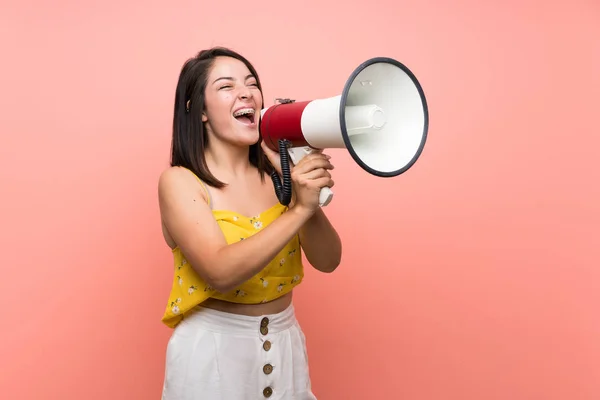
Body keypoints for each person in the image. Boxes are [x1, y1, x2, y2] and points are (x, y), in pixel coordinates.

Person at [158, 47, 343, 400]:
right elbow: (219, 271)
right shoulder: (180, 182)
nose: (246, 92)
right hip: (212, 355)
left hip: (286, 342)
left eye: (251, 83)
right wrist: (298, 211)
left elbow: (329, 260)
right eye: (226, 86)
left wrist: (303, 190)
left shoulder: (277, 176)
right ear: (198, 111)